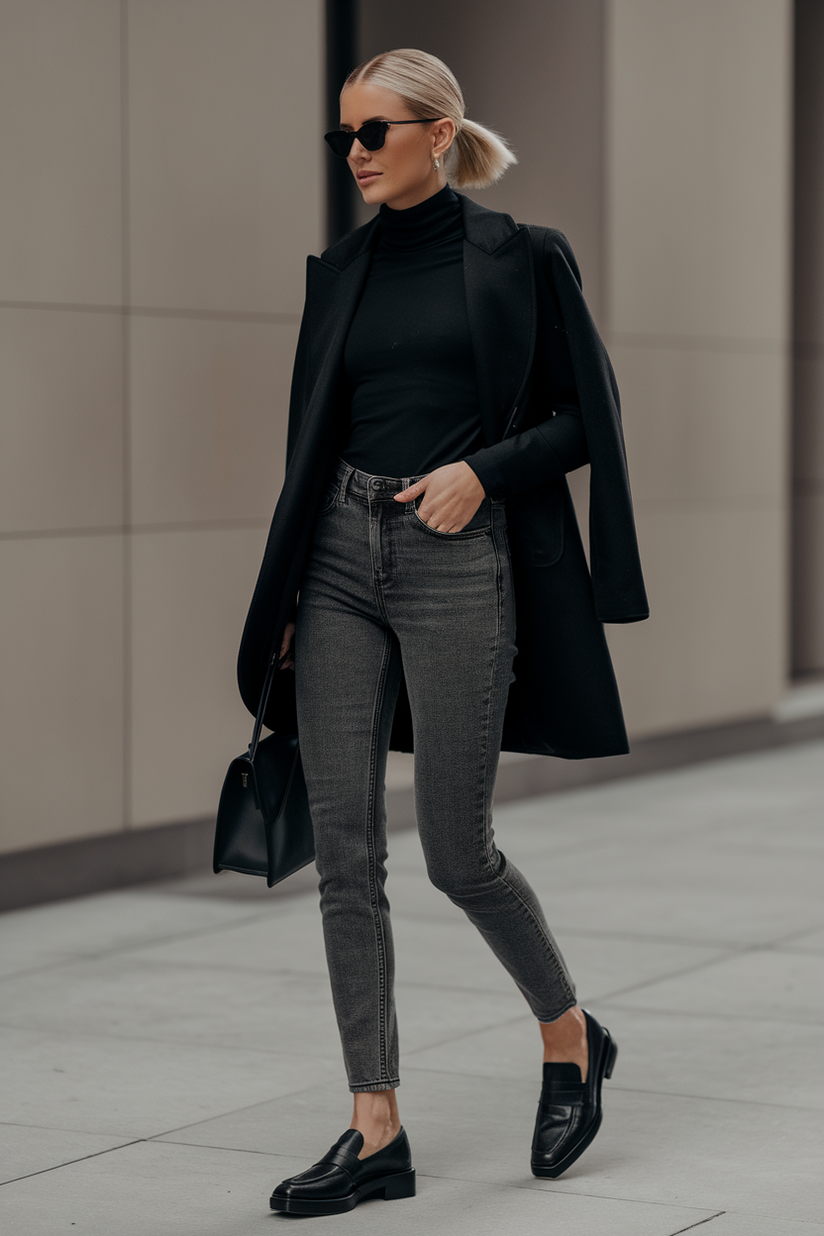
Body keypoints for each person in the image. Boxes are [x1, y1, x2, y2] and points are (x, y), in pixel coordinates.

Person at [236, 48, 648, 1217]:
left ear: (437, 131)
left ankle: (569, 1035)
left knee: (456, 852)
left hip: (454, 556)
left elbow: (587, 421)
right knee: (345, 860)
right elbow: (310, 442)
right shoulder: (343, 271)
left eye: (374, 132)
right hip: (334, 559)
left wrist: (482, 470)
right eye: (344, 137)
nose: (355, 155)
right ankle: (376, 1130)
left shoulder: (519, 258)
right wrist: (281, 606)